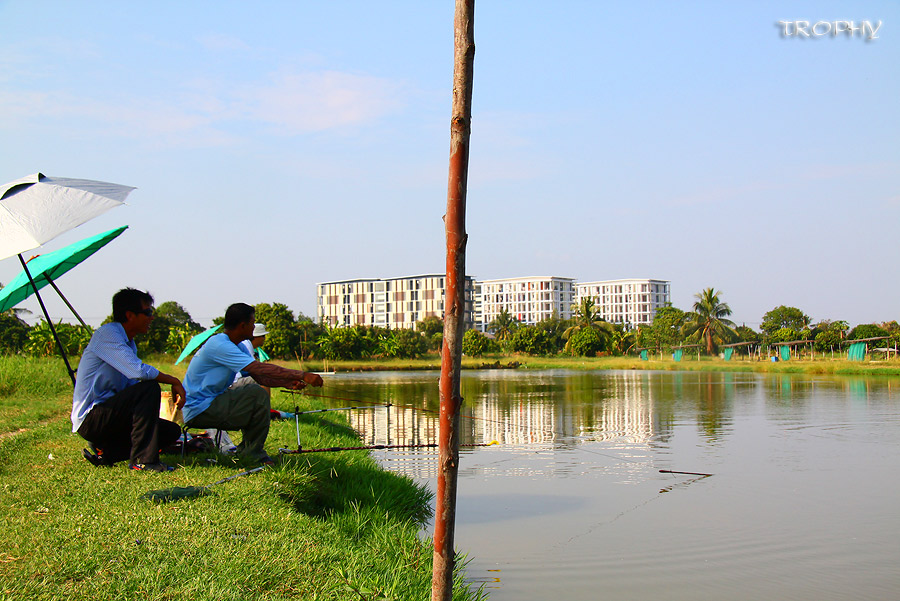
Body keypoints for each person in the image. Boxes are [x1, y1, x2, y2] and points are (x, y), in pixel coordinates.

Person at [182, 303, 323, 464]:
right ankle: (252, 453)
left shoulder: (238, 346)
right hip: (199, 408)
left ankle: (248, 449)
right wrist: (303, 374)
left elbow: (258, 376)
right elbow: (257, 367)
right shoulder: (220, 344)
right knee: (257, 394)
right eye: (252, 322)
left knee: (255, 388)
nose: (254, 327)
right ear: (243, 325)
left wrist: (287, 383)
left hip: (212, 401)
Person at [72, 288, 186, 472]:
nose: (152, 318)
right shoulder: (108, 334)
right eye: (148, 312)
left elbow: (132, 386)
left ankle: (107, 454)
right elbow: (138, 372)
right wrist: (173, 380)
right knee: (149, 388)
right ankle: (143, 461)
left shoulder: (128, 343)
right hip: (91, 419)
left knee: (170, 432)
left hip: (111, 415)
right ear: (130, 315)